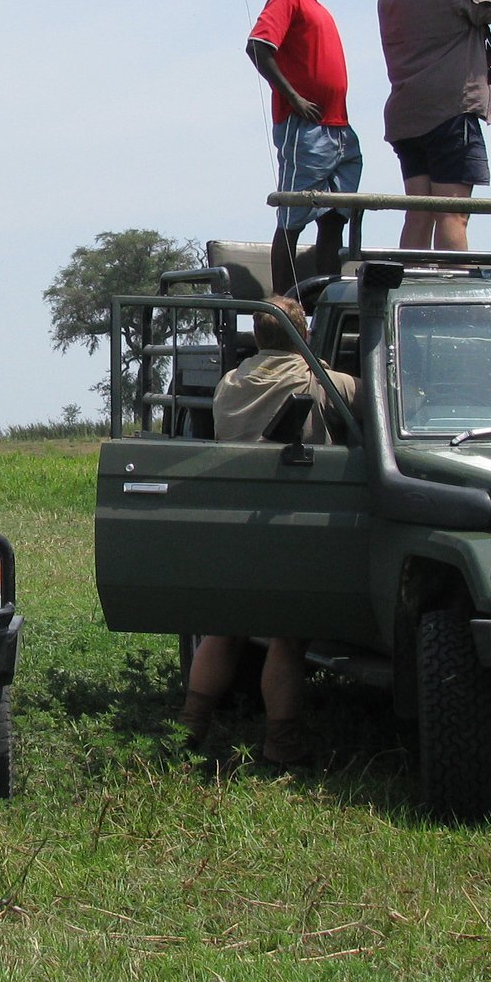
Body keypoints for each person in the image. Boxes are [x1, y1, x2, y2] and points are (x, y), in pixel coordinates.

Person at [178, 294, 356, 768]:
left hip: (233, 519)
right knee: (286, 637)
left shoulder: (228, 383)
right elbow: (368, 396)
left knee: (224, 629)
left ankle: (190, 731)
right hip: (287, 519)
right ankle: (281, 744)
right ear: (304, 334)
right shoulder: (317, 380)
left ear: (257, 336)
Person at [376, 0, 491, 251]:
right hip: (450, 111)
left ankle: (409, 287)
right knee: (453, 214)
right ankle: (451, 299)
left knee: (419, 212)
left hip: (407, 113)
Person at [247, 0, 360, 298]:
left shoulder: (317, 6)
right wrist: (293, 98)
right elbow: (258, 47)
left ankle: (327, 302)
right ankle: (285, 310)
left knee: (334, 217)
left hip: (338, 128)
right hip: (306, 127)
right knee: (293, 216)